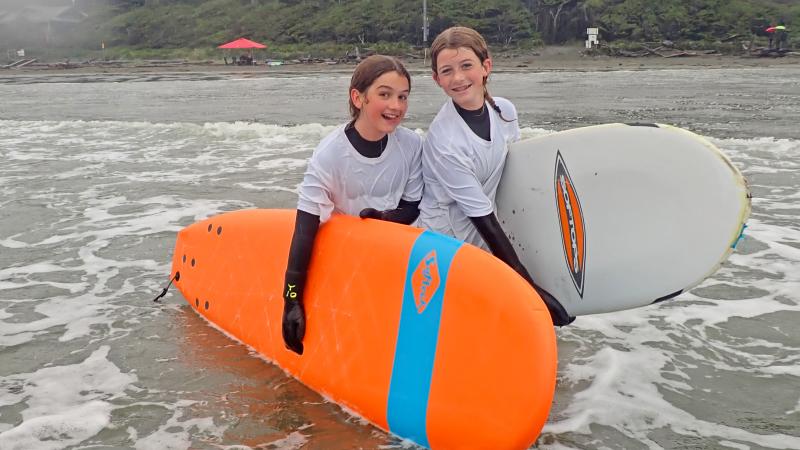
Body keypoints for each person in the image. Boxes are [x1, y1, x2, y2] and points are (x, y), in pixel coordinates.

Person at [416, 26, 574, 326]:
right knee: (460, 323)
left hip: (485, 237)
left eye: (466, 66)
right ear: (437, 80)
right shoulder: (446, 142)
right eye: (447, 71)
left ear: (486, 66)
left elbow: (515, 177)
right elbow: (482, 216)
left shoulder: (504, 111)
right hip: (445, 244)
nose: (458, 78)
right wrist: (530, 289)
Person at [281, 55, 424, 355]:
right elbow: (305, 229)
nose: (396, 106)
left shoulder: (411, 145)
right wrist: (292, 299)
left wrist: (385, 218)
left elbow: (412, 207)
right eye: (384, 95)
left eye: (402, 97)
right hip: (344, 261)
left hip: (391, 258)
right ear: (358, 97)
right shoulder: (330, 154)